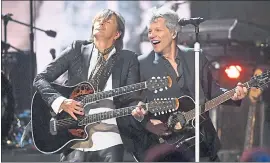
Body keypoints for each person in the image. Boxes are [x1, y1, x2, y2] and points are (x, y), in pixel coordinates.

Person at [132, 7, 248, 162]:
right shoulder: (141, 64)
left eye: (157, 30)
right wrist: (147, 123)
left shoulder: (195, 57)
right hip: (166, 148)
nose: (152, 35)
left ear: (173, 33)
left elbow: (212, 92)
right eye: (149, 31)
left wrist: (234, 95)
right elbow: (132, 104)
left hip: (202, 143)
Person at [33, 9, 142, 162]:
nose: (101, 23)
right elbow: (40, 78)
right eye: (98, 20)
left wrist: (138, 109)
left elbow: (132, 99)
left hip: (111, 139)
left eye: (108, 21)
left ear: (117, 34)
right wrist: (61, 102)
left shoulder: (128, 59)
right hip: (73, 140)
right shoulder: (76, 49)